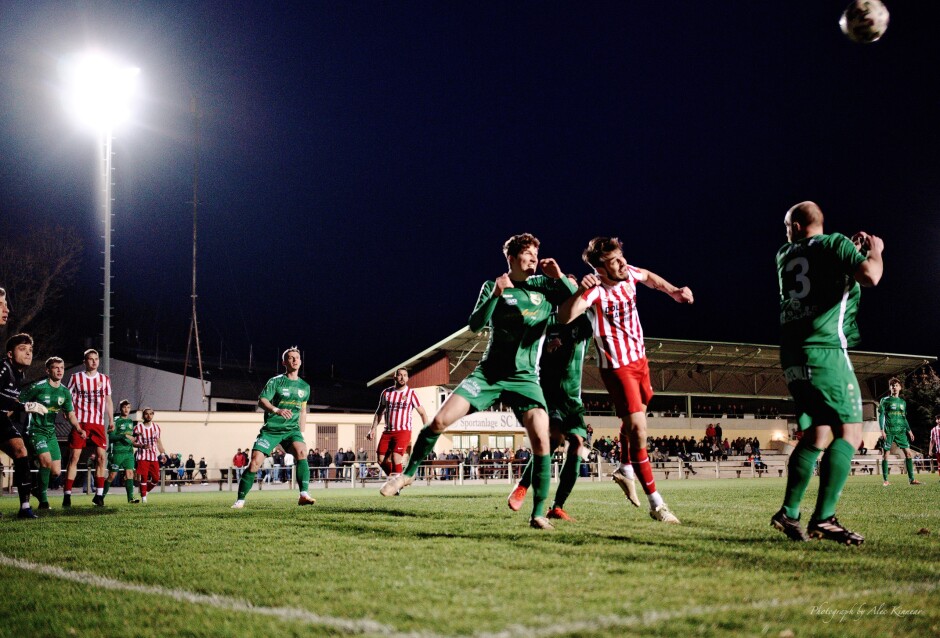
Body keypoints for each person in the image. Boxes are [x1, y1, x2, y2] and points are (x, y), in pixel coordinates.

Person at [380, 233, 577, 530]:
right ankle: (407, 474)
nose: (535, 259)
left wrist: (559, 275)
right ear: (511, 257)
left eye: (536, 253)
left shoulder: (544, 287)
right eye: (528, 253)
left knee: (541, 439)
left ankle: (537, 514)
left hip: (525, 379)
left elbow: (575, 297)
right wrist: (497, 294)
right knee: (438, 421)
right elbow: (475, 324)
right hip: (488, 375)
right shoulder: (493, 286)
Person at [770, 201, 883, 545]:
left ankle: (789, 514)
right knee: (850, 434)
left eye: (787, 224)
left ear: (799, 226)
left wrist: (847, 247)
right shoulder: (834, 244)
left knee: (817, 435)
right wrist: (874, 251)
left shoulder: (783, 255)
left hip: (793, 354)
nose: (785, 231)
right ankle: (824, 519)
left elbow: (826, 267)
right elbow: (871, 276)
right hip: (825, 351)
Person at [559, 236, 693, 524]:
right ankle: (657, 504)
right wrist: (579, 292)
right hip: (617, 367)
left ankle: (625, 469)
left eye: (621, 257)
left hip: (640, 361)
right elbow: (565, 316)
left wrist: (673, 292)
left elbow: (649, 277)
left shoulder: (628, 272)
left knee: (635, 422)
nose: (622, 263)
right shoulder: (595, 292)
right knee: (639, 430)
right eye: (614, 261)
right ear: (600, 269)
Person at [508, 290, 594, 522]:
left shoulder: (585, 323)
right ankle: (523, 485)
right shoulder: (549, 321)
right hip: (550, 393)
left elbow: (590, 319)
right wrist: (545, 350)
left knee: (576, 444)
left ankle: (557, 506)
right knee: (553, 438)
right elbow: (530, 349)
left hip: (573, 399)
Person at [231, 347, 315, 509]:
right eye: (290, 358)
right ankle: (240, 500)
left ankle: (304, 494)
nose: (294, 360)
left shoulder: (305, 387)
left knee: (302, 452)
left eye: (297, 357)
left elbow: (303, 410)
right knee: (255, 463)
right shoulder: (275, 381)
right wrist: (277, 410)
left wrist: (301, 432)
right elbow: (262, 400)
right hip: (271, 430)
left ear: (301, 361)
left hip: (291, 430)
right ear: (284, 362)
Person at [20, 356, 83, 510]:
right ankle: (43, 501)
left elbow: (70, 414)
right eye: (56, 367)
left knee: (55, 472)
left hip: (51, 433)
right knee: (46, 462)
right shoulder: (38, 387)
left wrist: (78, 427)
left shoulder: (64, 392)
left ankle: (36, 489)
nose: (60, 370)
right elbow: (18, 401)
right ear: (48, 370)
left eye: (61, 367)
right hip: (35, 430)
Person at [0, 333, 48, 519]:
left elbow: (9, 401)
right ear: (10, 354)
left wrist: (15, 408)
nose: (28, 353)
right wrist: (24, 406)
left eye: (30, 350)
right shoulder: (3, 368)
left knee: (21, 451)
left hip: (1, 419)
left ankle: (25, 508)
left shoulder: (20, 374)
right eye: (22, 349)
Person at [64, 349, 114, 507]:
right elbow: (67, 397)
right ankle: (67, 495)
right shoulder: (75, 378)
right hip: (81, 423)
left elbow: (108, 401)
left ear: (99, 361)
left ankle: (99, 496)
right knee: (74, 458)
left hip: (98, 424)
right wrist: (67, 411)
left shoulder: (104, 379)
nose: (94, 362)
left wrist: (111, 420)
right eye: (90, 359)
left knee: (101, 458)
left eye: (96, 359)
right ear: (84, 361)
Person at [368, 368, 429, 479]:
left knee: (396, 457)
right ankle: (397, 479)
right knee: (381, 460)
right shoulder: (386, 393)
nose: (402, 377)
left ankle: (396, 485)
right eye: (399, 375)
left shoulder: (411, 394)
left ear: (407, 378)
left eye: (405, 375)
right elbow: (379, 412)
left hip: (403, 431)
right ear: (395, 377)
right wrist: (372, 429)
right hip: (388, 432)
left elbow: (423, 414)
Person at [878, 377, 921, 486]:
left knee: (909, 454)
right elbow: (881, 415)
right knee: (885, 455)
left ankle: (911, 479)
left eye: (896, 385)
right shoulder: (885, 400)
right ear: (890, 388)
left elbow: (904, 418)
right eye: (892, 385)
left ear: (900, 387)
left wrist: (909, 430)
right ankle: (886, 480)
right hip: (889, 431)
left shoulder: (903, 402)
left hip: (901, 432)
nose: (894, 387)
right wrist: (882, 429)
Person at [103, 399, 139, 503]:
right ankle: (100, 497)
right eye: (124, 407)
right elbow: (112, 437)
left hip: (128, 453)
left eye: (128, 407)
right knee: (112, 475)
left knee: (130, 473)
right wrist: (124, 435)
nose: (126, 409)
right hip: (117, 453)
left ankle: (130, 498)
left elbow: (130, 438)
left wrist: (136, 438)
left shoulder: (130, 422)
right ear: (120, 408)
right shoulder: (115, 421)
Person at [133, 407, 166, 503]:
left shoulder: (156, 427)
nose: (149, 415)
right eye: (146, 414)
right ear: (143, 415)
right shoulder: (138, 427)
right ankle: (144, 499)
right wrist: (142, 446)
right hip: (142, 456)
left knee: (156, 479)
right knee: (144, 477)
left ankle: (145, 491)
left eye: (151, 414)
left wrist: (163, 454)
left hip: (153, 456)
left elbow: (159, 442)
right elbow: (133, 442)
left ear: (153, 415)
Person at [928, 414, 940, 480]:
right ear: (936, 420)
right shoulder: (933, 430)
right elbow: (932, 441)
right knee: (939, 464)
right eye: (937, 419)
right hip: (938, 450)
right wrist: (930, 450)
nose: (939, 420)